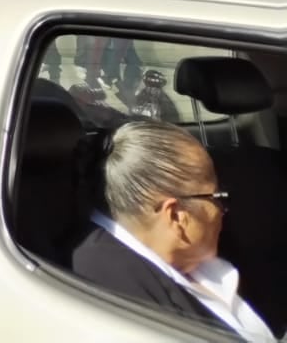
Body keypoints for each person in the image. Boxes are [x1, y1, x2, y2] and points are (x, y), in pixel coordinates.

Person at [74, 118, 271, 341]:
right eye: (217, 197)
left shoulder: (195, 256)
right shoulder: (117, 292)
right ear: (176, 215)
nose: (223, 211)